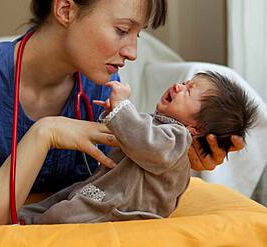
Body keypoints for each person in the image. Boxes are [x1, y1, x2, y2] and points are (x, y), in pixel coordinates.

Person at [0, 0, 245, 226]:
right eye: (121, 30)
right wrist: (45, 133)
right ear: (66, 9)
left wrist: (178, 156)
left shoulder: (99, 80)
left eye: (138, 34)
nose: (132, 52)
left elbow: (114, 176)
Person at [18, 71, 258, 224]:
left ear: (198, 127)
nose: (178, 86)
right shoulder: (156, 125)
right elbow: (127, 136)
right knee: (62, 197)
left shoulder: (177, 138)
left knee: (64, 214)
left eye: (189, 90)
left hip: (125, 206)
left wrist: (122, 106)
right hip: (105, 191)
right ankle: (22, 218)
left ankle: (33, 227)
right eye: (185, 82)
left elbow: (145, 142)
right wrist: (113, 114)